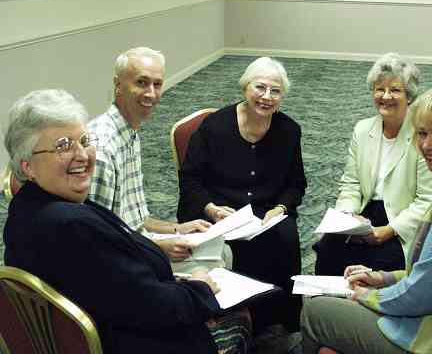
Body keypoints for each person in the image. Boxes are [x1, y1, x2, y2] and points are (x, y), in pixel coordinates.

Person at [3, 89, 250, 353]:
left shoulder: (26, 207)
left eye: (84, 140)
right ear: (27, 165)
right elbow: (156, 311)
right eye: (63, 145)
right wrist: (201, 287)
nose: (83, 155)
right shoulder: (70, 226)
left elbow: (111, 287)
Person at [301, 84, 432, 354]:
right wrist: (383, 278)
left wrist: (369, 296)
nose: (426, 145)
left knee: (315, 310)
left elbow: (422, 296)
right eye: (422, 133)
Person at [177, 56, 307, 333]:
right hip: (221, 211)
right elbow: (190, 179)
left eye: (276, 91)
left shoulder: (289, 130)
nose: (267, 97)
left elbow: (296, 184)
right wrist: (211, 208)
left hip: (266, 212)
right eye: (260, 87)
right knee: (231, 244)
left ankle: (277, 318)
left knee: (285, 235)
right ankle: (236, 319)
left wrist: (281, 208)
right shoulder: (214, 127)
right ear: (245, 87)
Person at [88, 47, 231, 271]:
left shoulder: (128, 132)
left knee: (221, 249)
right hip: (120, 262)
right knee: (211, 266)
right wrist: (159, 246)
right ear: (118, 85)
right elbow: (99, 240)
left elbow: (135, 219)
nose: (152, 94)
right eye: (141, 83)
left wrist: (177, 229)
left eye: (157, 84)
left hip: (135, 242)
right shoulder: (102, 151)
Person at [314, 53, 432, 275]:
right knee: (327, 251)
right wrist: (347, 215)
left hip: (401, 219)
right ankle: (325, 308)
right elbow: (351, 184)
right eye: (379, 89)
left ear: (409, 96)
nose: (385, 96)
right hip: (364, 213)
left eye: (395, 90)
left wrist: (389, 230)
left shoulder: (423, 135)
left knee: (379, 266)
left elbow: (428, 200)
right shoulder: (363, 130)